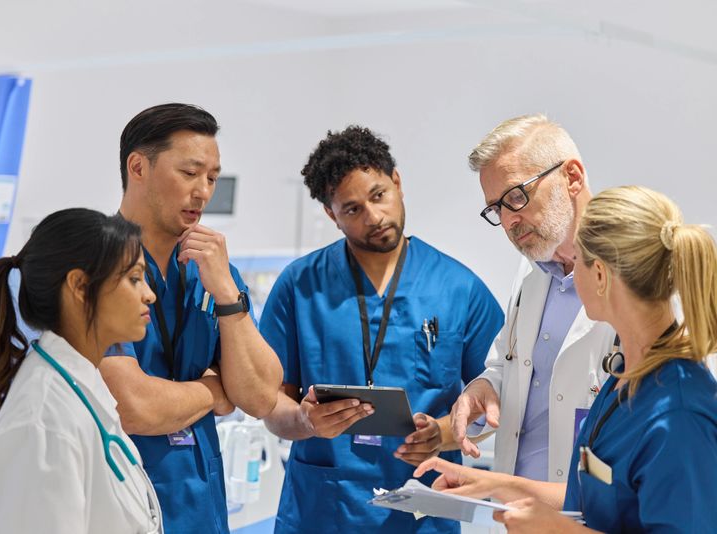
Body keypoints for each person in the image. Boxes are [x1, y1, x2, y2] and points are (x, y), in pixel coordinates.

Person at [416, 185, 717, 532]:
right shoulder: (624, 375)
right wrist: (497, 485)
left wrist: (559, 530)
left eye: (578, 262)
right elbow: (594, 494)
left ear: (600, 275)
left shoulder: (678, 413)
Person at [260, 125, 504, 533]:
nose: (374, 217)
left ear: (397, 182)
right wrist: (306, 423)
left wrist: (441, 433)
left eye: (378, 196)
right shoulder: (299, 286)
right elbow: (271, 405)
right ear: (330, 214)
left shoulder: (458, 288)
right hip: (323, 510)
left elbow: (497, 401)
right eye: (352, 209)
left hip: (422, 511)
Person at [99, 103, 283, 533]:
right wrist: (215, 391)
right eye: (190, 173)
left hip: (203, 511)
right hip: (121, 508)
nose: (204, 191)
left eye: (212, 178)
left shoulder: (213, 269)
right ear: (138, 167)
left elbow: (259, 396)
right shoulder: (96, 264)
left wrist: (226, 295)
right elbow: (133, 406)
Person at [0, 208, 162, 533]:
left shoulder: (80, 389)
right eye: (134, 279)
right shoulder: (43, 422)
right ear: (80, 286)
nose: (149, 294)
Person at [449, 114, 614, 484]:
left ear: (572, 177)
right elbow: (509, 368)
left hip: (595, 516)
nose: (508, 221)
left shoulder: (639, 272)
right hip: (518, 513)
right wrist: (483, 389)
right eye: (497, 208)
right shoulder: (531, 273)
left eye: (516, 197)